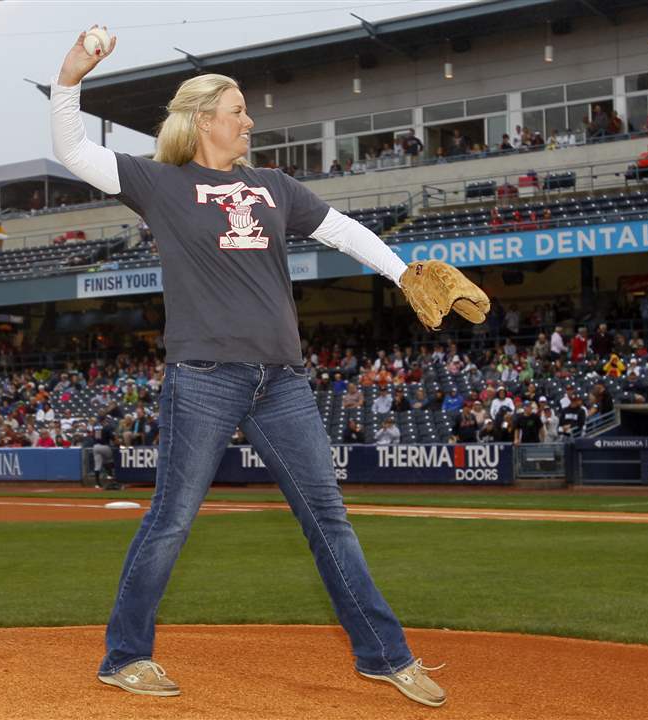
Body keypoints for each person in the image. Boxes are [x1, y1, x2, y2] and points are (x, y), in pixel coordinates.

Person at [52, 26, 487, 707]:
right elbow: (74, 150)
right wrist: (70, 77)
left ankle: (384, 655)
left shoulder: (274, 186)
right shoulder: (161, 182)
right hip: (202, 376)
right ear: (203, 121)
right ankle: (125, 655)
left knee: (328, 518)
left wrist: (406, 274)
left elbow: (342, 230)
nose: (250, 120)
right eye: (238, 110)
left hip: (281, 379)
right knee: (171, 519)